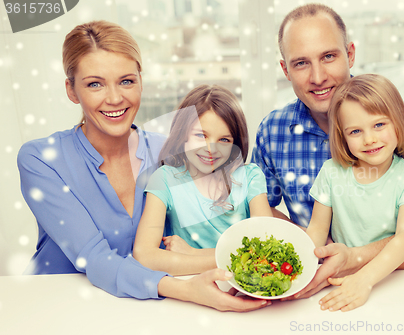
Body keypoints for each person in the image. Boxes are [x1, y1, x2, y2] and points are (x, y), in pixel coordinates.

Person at [17, 20, 269, 311]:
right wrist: (189, 288)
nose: (114, 98)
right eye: (94, 84)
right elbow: (94, 257)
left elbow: (232, 195)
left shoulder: (173, 151)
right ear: (71, 90)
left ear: (140, 80)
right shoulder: (41, 159)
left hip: (143, 309)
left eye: (126, 81)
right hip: (54, 303)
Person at [251, 3, 404, 297]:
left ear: (350, 54)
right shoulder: (272, 132)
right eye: (301, 63)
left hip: (399, 286)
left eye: (328, 56)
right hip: (312, 290)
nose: (317, 77)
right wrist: (309, 255)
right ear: (285, 69)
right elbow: (257, 210)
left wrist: (354, 261)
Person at [306, 74, 404, 311]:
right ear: (342, 136)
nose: (369, 139)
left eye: (379, 125)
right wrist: (298, 270)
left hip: (390, 279)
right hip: (339, 281)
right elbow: (317, 230)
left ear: (398, 122)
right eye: (355, 132)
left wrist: (364, 279)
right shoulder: (331, 172)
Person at [133, 85, 273, 275]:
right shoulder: (164, 179)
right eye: (201, 135)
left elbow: (265, 250)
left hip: (242, 287)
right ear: (183, 135)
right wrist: (236, 261)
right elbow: (144, 256)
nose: (211, 149)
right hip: (191, 288)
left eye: (224, 140)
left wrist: (192, 254)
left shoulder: (250, 177)